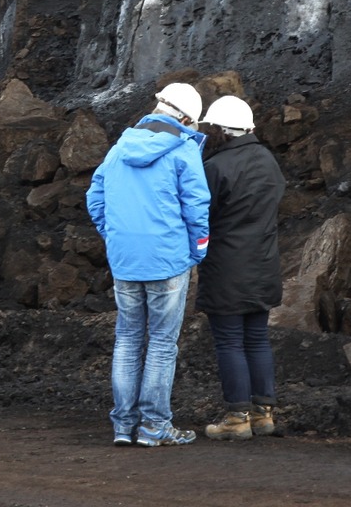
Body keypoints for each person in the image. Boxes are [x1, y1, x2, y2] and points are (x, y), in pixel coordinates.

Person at [85, 82, 211, 447]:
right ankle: (154, 426)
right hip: (168, 260)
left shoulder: (119, 148)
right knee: (161, 344)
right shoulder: (184, 151)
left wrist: (114, 237)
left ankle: (123, 426)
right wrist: (197, 251)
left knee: (127, 340)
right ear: (186, 119)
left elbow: (95, 198)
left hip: (125, 260)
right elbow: (196, 208)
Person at [196, 96, 285, 441]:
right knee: (257, 339)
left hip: (227, 268)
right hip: (264, 264)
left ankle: (237, 418)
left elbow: (201, 215)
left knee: (230, 341)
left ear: (219, 129)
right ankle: (263, 415)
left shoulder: (216, 167)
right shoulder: (268, 160)